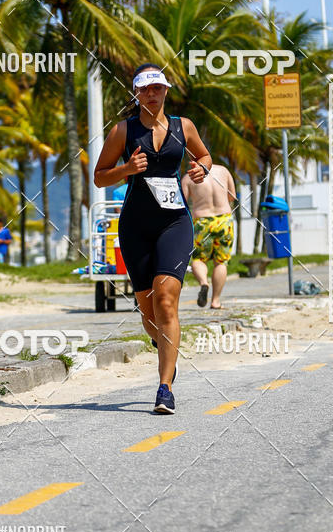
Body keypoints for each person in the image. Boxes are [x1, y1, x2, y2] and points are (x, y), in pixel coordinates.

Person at [94, 64, 211, 414]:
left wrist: (201, 168)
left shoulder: (182, 126)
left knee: (166, 300)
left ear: (166, 91)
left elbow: (204, 156)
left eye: (157, 88)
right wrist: (127, 170)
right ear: (136, 93)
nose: (152, 94)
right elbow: (100, 177)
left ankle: (164, 388)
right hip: (135, 228)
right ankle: (162, 342)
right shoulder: (122, 131)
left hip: (175, 223)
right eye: (145, 89)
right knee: (148, 312)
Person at [181, 164, 236, 308]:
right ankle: (215, 301)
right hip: (224, 220)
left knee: (198, 259)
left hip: (202, 222)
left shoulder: (188, 177)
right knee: (221, 262)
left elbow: (181, 204)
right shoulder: (223, 171)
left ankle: (204, 283)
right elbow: (232, 197)